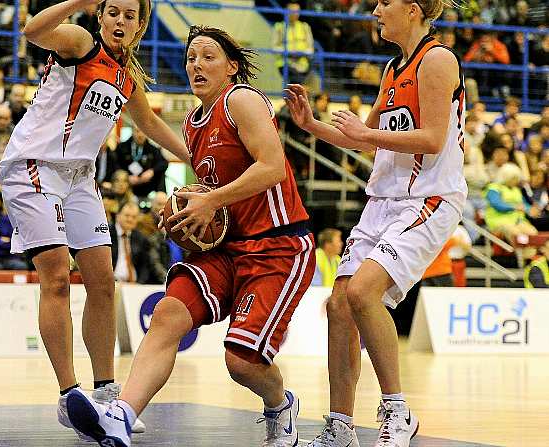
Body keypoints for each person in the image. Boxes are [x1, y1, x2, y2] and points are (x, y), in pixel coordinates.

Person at [65, 25, 315, 447]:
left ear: (232, 67)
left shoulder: (242, 99)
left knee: (241, 363)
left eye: (207, 56)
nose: (196, 65)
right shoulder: (193, 124)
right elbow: (210, 188)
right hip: (225, 248)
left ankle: (279, 403)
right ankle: (121, 417)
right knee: (167, 316)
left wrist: (210, 200)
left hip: (277, 244)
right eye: (190, 58)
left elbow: (271, 166)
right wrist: (181, 202)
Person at [0, 0, 189, 437]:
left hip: (80, 176)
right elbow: (33, 30)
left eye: (130, 15)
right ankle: (69, 396)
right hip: (33, 166)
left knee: (103, 281)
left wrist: (201, 160)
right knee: (58, 276)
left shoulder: (127, 76)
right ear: (101, 17)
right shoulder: (81, 43)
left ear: (141, 25)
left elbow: (153, 127)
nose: (121, 21)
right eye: (113, 12)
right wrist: (79, 2)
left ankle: (105, 394)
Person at [285, 0, 468, 443]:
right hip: (383, 200)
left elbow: (432, 138)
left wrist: (365, 134)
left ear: (413, 9)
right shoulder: (392, 68)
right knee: (337, 307)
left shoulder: (438, 59)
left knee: (365, 292)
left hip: (427, 197)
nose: (376, 9)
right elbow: (364, 142)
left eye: (385, 2)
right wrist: (311, 126)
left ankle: (398, 410)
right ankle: (341, 426)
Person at [109, 201, 158, 284]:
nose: (130, 219)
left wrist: (140, 284)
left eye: (134, 217)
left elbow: (145, 266)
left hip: (135, 286)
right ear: (118, 216)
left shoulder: (141, 238)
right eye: (127, 216)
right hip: (112, 284)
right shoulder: (107, 235)